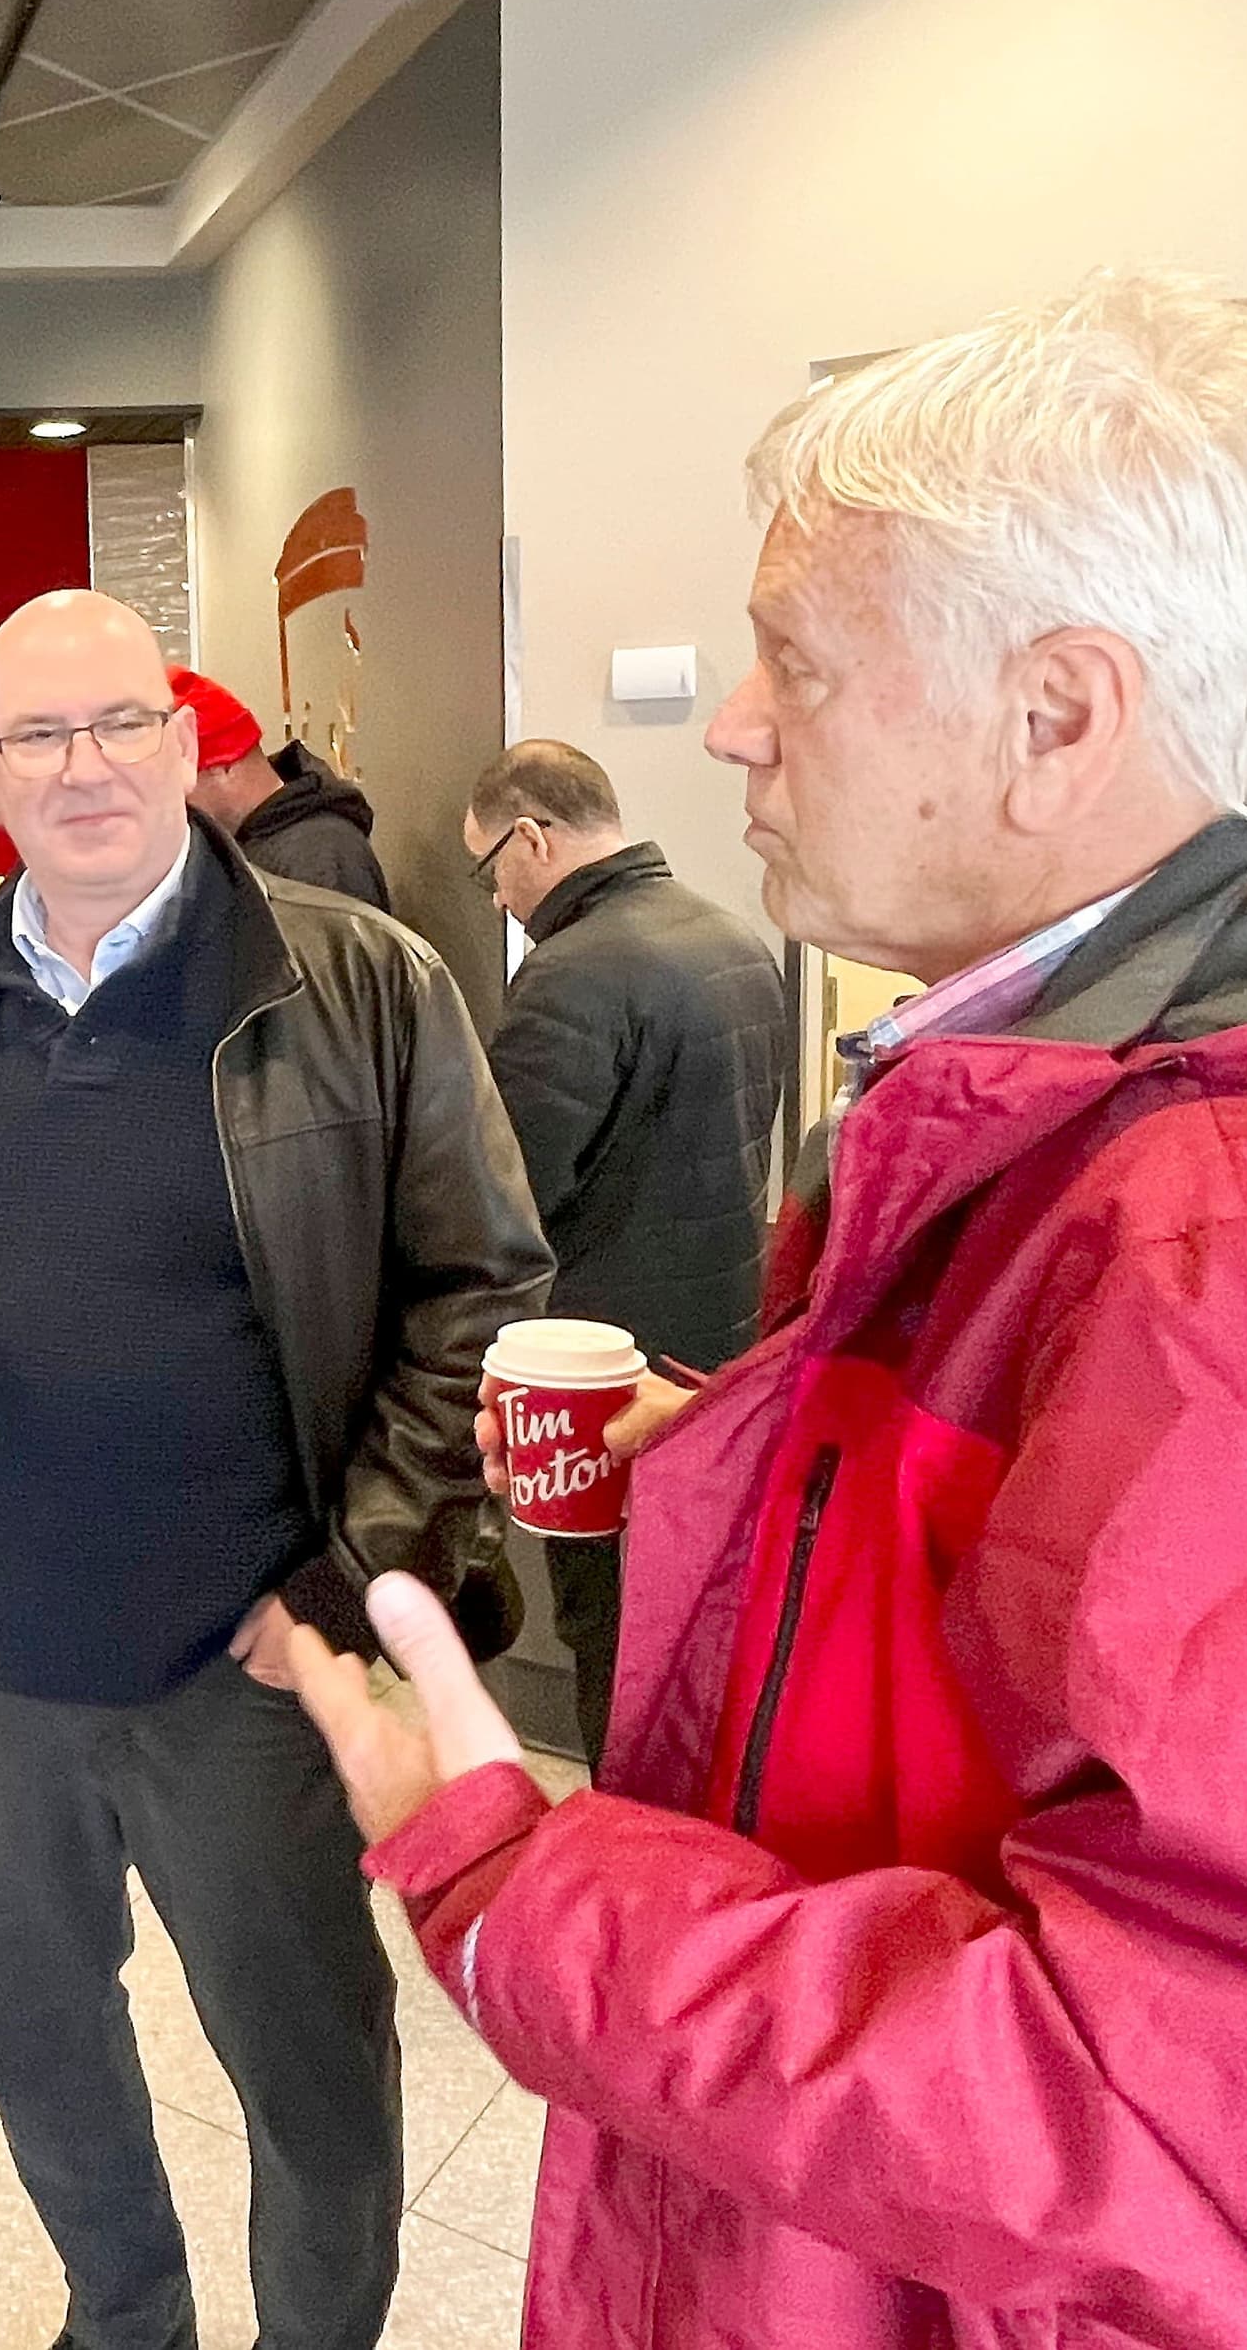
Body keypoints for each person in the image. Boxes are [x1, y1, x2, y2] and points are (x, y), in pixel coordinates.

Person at [288, 271, 1247, 2349]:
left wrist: (517, 1889)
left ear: (1057, 719)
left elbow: (1245, 2131)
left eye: (793, 659)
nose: (731, 723)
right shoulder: (1092, 1133)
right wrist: (769, 1466)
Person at [0, 589, 547, 2350]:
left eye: (122, 722)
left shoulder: (360, 983)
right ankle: (122, 2317)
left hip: (253, 1668)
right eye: (41, 736)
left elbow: (484, 1289)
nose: (87, 767)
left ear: (187, 741)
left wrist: (347, 1573)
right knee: (43, 2044)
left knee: (311, 2073)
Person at [461, 738, 787, 1758]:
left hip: (602, 1375)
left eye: (488, 869)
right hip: (723, 1346)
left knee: (609, 1629)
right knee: (694, 1627)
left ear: (531, 838)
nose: (497, 895)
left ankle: (623, 1828)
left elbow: (507, 1193)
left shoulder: (570, 976)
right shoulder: (734, 937)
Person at [175, 664, 392, 909]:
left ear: (223, 765)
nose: (176, 811)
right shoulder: (250, 846)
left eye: (178, 793)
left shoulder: (319, 859)